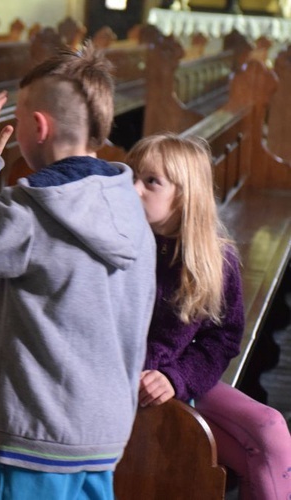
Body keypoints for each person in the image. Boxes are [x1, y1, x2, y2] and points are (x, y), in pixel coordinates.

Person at [0, 44, 156, 499]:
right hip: (101, 433)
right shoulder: (128, 204)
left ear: (38, 127)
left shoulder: (33, 213)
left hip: (35, 437)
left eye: (21, 119)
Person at [127, 133, 291, 500]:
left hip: (176, 380)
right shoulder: (121, 246)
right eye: (131, 177)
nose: (135, 189)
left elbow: (224, 337)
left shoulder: (215, 259)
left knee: (271, 430)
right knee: (245, 458)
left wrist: (176, 377)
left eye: (151, 181)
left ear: (185, 194)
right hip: (125, 388)